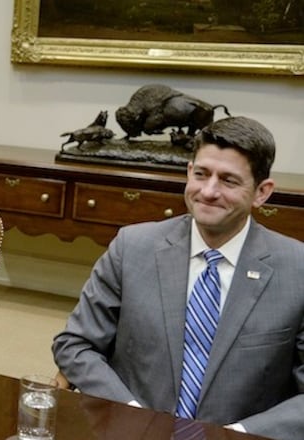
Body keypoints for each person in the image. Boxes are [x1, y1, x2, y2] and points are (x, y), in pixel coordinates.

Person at [52, 116, 303, 440]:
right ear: (188, 173)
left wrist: (239, 434)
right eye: (201, 174)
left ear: (261, 192)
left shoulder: (297, 271)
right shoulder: (133, 248)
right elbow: (75, 344)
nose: (208, 191)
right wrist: (129, 412)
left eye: (228, 181)